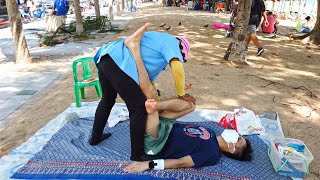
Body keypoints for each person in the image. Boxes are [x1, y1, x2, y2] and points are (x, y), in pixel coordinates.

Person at [122, 23, 252, 172]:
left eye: (239, 139)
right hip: (167, 125)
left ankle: (135, 52)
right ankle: (156, 107)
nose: (237, 134)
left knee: (151, 100)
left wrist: (147, 165)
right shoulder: (210, 132)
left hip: (156, 143)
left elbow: (180, 163)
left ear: (232, 148)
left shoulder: (212, 154)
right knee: (191, 104)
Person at [90, 23, 196, 161]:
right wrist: (181, 94)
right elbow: (177, 68)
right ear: (182, 49)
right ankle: (138, 154)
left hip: (106, 56)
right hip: (119, 60)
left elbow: (146, 80)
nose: (180, 59)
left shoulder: (155, 51)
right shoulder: (172, 42)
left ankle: (95, 138)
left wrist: (153, 97)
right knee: (138, 108)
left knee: (107, 100)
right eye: (182, 57)